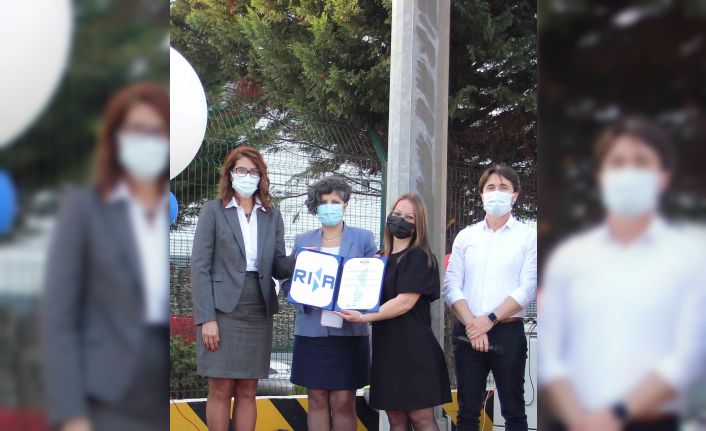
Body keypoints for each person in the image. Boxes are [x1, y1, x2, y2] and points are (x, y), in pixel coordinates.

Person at [540, 117, 706, 431]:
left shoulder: (689, 257)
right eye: (617, 162)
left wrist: (614, 415)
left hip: (652, 422)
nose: (628, 172)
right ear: (601, 175)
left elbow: (688, 354)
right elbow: (550, 354)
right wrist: (580, 420)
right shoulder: (569, 257)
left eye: (641, 161)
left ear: (664, 176)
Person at [40, 82, 170, 431]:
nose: (147, 141)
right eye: (137, 130)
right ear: (115, 138)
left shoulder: (168, 212)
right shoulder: (83, 209)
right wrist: (71, 414)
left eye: (157, 131)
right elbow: (59, 317)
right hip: (106, 393)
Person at [190, 145, 293, 431]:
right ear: (230, 174)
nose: (247, 176)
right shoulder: (213, 211)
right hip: (221, 310)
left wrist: (304, 256)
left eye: (253, 171)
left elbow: (278, 265)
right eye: (240, 170)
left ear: (261, 176)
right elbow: (199, 267)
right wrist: (207, 318)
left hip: (258, 307)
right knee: (221, 387)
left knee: (248, 388)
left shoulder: (272, 214)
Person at [337, 192, 451, 431]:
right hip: (387, 350)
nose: (401, 220)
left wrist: (363, 317)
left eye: (409, 217)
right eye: (397, 214)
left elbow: (404, 303)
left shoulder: (419, 256)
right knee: (396, 420)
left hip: (414, 350)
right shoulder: (379, 259)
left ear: (418, 225)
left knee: (421, 418)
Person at [443, 164, 537, 431]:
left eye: (503, 187)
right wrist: (473, 325)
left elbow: (528, 287)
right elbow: (451, 285)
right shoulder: (466, 236)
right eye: (491, 187)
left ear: (515, 195)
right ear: (482, 194)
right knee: (467, 412)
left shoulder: (528, 236)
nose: (497, 192)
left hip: (508, 332)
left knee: (514, 411)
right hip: (468, 332)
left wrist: (490, 319)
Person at [283, 176, 378, 431]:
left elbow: (374, 281)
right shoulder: (302, 240)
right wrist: (305, 300)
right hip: (311, 332)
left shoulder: (364, 239)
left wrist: (358, 308)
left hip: (349, 332)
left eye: (334, 201)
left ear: (345, 204)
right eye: (323, 202)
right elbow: (289, 283)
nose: (329, 206)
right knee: (316, 399)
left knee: (343, 401)